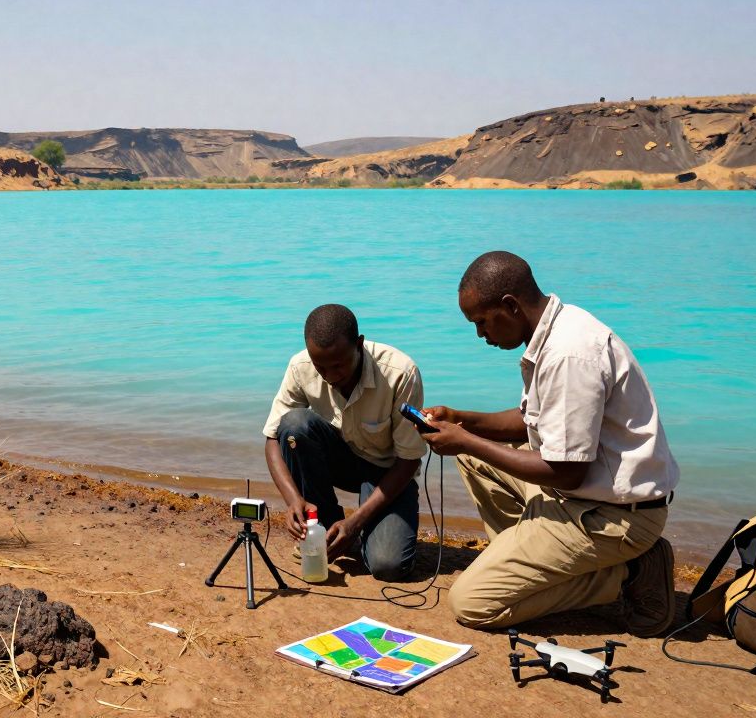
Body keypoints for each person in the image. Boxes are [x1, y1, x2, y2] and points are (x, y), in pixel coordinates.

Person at [418, 251, 679, 636]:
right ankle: (535, 561)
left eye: (482, 322)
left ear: (510, 306)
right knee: (476, 459)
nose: (480, 335)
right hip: (584, 497)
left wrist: (466, 441)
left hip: (615, 517)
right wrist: (463, 421)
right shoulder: (554, 329)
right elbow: (529, 422)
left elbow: (566, 472)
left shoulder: (568, 354)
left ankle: (629, 574)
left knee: (471, 605)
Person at [263, 304, 427, 581]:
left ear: (359, 345)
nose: (329, 375)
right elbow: (271, 439)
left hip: (387, 472)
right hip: (338, 461)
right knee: (294, 425)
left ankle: (355, 533)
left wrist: (356, 522)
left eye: (338, 365)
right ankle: (325, 524)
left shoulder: (400, 373)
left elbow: (409, 460)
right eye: (320, 367)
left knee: (387, 566)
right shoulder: (300, 366)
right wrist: (294, 501)